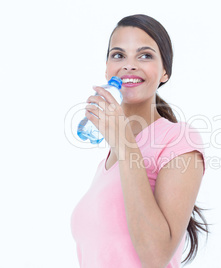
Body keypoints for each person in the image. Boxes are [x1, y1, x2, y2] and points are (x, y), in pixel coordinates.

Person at [70, 14, 209, 268]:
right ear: (107, 68)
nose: (129, 65)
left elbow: (155, 256)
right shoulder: (106, 162)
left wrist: (124, 142)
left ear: (165, 71)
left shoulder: (178, 139)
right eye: (118, 55)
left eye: (144, 55)